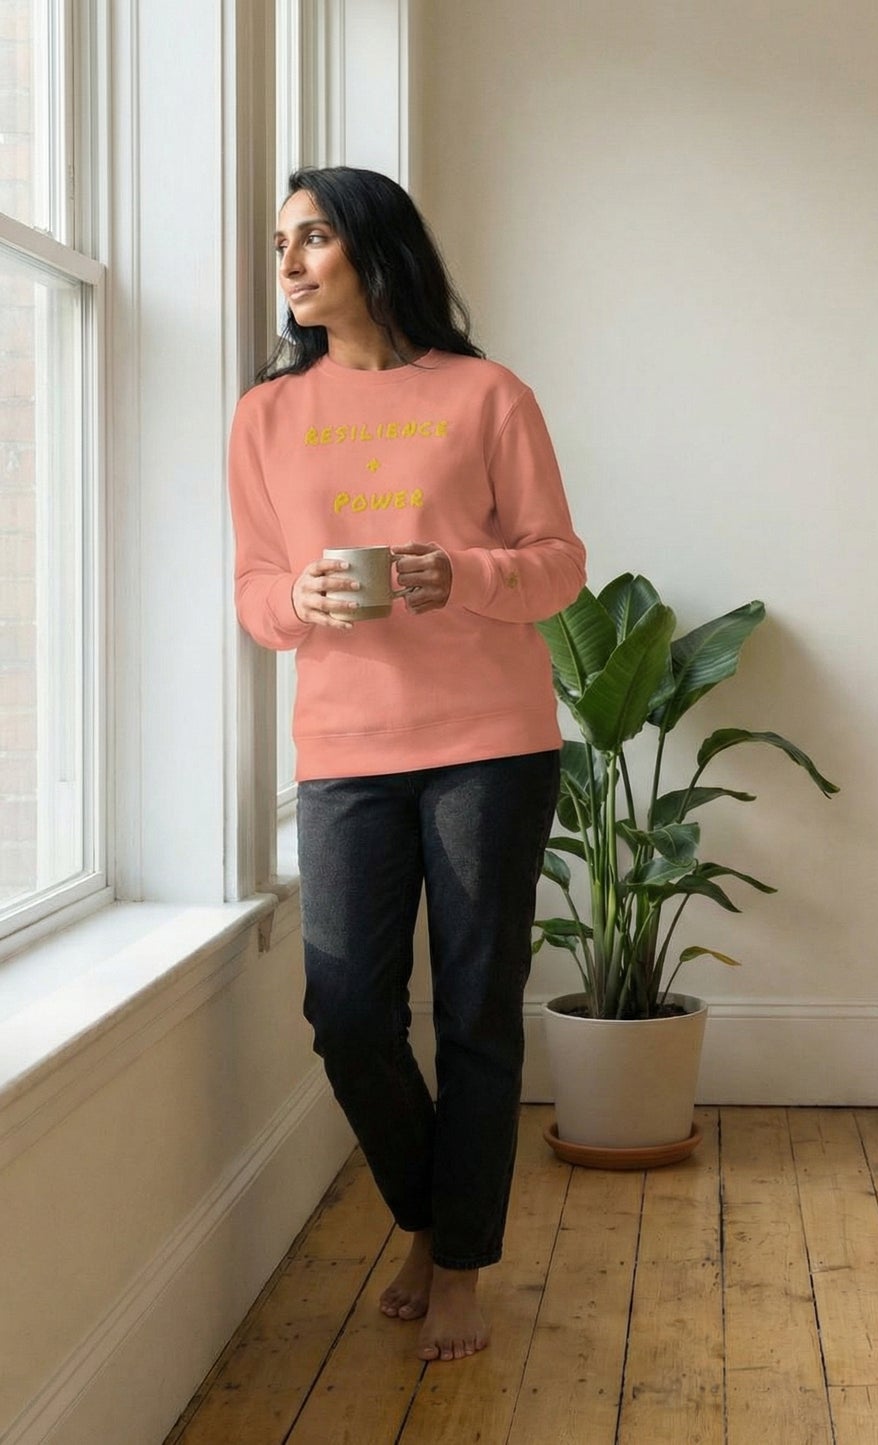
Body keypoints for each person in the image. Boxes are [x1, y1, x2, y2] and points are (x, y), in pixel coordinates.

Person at [228, 166, 586, 1363]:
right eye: (281, 241)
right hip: (345, 750)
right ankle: (429, 1216)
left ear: (375, 249)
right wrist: (301, 595)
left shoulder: (486, 395)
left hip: (490, 743)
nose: (288, 261)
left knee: (478, 1012)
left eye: (313, 236)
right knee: (347, 1013)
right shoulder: (265, 415)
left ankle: (459, 1268)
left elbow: (556, 563)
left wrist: (463, 574)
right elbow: (252, 593)